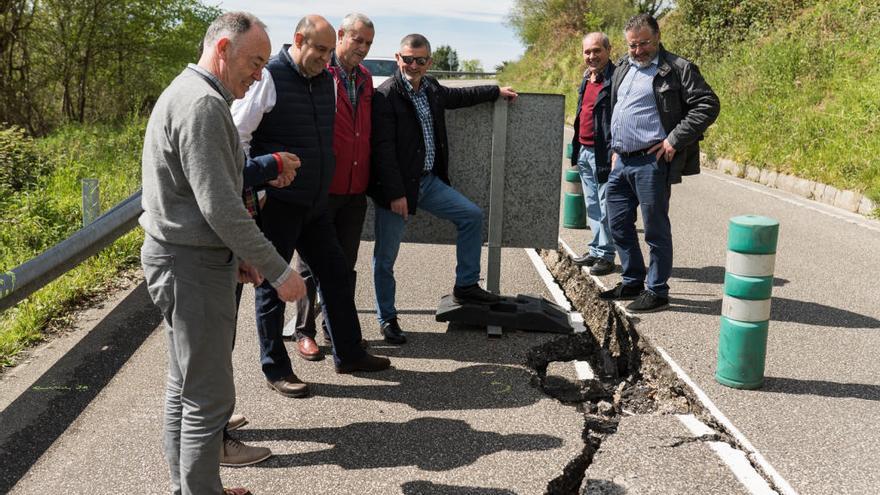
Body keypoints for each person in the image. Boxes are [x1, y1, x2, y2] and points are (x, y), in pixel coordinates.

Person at [139, 11, 306, 495]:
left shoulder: (189, 94)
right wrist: (279, 271)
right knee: (209, 400)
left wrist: (237, 257)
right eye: (254, 61)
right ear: (222, 50)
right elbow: (221, 209)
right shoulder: (203, 106)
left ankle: (190, 487)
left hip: (183, 260)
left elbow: (201, 199)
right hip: (189, 269)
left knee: (186, 387)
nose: (260, 74)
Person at [231, 14, 391, 398]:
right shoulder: (268, 77)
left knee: (336, 276)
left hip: (316, 204)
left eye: (326, 50)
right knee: (272, 286)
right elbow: (237, 135)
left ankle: (349, 353)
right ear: (298, 40)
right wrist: (262, 178)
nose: (324, 57)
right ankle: (276, 368)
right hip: (280, 205)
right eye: (318, 49)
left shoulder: (327, 82)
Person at [369, 33, 518, 344]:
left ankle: (465, 286)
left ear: (429, 62)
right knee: (385, 258)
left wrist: (495, 91)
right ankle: (387, 318)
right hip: (397, 190)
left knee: (471, 216)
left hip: (428, 182)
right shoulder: (385, 96)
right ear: (398, 59)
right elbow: (382, 150)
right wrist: (395, 194)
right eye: (407, 59)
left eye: (420, 60)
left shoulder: (432, 88)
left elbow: (460, 97)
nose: (413, 65)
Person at [600, 13, 720, 313]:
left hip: (651, 164)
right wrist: (614, 148)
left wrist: (673, 140)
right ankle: (631, 280)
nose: (638, 51)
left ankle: (657, 290)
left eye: (644, 44)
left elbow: (707, 104)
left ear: (658, 37)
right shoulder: (624, 67)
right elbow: (617, 107)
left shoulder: (678, 68)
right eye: (632, 45)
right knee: (617, 224)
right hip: (622, 161)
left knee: (655, 230)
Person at [286, 13, 377, 361]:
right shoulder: (320, 74)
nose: (363, 48)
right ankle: (304, 331)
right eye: (358, 40)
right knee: (309, 266)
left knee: (344, 266)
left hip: (355, 189)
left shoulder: (367, 79)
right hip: (323, 188)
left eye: (368, 43)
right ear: (341, 36)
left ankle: (336, 330)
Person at [570, 32, 617, 276]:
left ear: (608, 50)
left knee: (605, 204)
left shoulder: (616, 78)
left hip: (603, 152)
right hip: (584, 149)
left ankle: (607, 255)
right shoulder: (587, 78)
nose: (592, 56)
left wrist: (615, 149)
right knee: (592, 204)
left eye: (597, 50)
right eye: (587, 52)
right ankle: (597, 249)